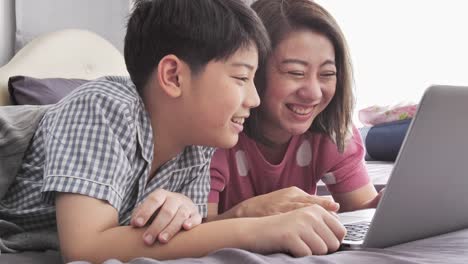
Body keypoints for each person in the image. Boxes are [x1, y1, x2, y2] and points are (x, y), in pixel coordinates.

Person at [0, 0, 347, 262]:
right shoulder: (103, 107)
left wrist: (239, 215)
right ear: (174, 77)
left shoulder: (197, 145)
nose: (254, 99)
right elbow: (86, 247)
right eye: (241, 78)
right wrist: (258, 231)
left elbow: (189, 238)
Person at [207, 0, 382, 228]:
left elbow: (361, 212)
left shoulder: (331, 133)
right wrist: (247, 214)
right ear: (251, 70)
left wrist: (389, 205)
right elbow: (195, 233)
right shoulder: (215, 135)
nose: (313, 93)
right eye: (295, 72)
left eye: (327, 73)